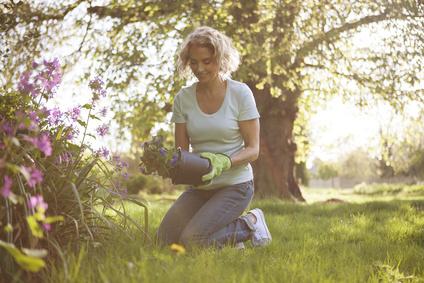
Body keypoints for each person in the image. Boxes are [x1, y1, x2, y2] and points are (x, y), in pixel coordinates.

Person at [157, 26, 272, 249]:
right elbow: (183, 152)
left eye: (207, 61)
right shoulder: (183, 98)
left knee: (192, 240)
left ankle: (250, 224)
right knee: (163, 241)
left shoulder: (240, 94)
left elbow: (253, 149)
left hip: (235, 185)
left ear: (220, 59)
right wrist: (166, 163)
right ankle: (228, 237)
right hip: (200, 188)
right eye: (193, 62)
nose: (199, 68)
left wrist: (224, 162)